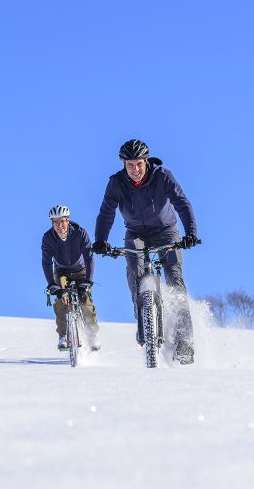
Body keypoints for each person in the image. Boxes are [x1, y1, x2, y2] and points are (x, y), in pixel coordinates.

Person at [92, 139, 198, 364]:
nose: (135, 170)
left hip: (166, 231)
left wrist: (190, 233)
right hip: (136, 233)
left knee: (174, 277)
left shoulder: (163, 176)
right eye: (130, 165)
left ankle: (184, 341)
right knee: (134, 270)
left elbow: (182, 203)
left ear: (146, 161)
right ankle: (143, 321)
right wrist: (100, 240)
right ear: (124, 164)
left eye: (139, 164)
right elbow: (106, 213)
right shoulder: (116, 183)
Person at [41, 205, 101, 351]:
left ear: (68, 221)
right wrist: (51, 284)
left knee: (85, 300)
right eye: (55, 222)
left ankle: (92, 335)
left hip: (81, 270)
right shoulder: (48, 238)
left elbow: (89, 257)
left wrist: (88, 281)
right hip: (61, 272)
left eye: (62, 221)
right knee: (61, 300)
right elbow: (46, 262)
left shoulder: (80, 233)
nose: (59, 225)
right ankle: (63, 335)